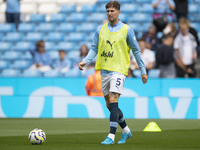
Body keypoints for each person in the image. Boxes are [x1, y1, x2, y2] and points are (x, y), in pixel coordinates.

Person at [79, 1, 148, 145]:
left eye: (112, 11)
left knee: (114, 100)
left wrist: (143, 70)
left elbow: (136, 50)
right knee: (110, 105)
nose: (110, 13)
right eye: (108, 11)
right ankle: (127, 131)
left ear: (118, 12)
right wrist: (85, 61)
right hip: (103, 70)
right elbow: (94, 48)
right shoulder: (100, 29)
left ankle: (111, 136)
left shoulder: (127, 30)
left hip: (119, 70)